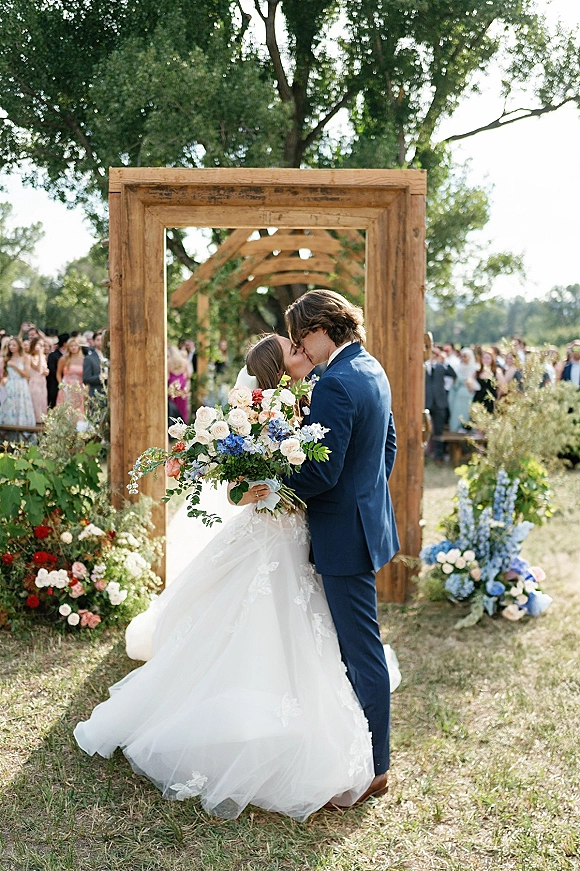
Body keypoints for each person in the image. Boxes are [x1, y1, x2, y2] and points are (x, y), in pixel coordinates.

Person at [74, 332, 398, 821]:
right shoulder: (268, 411)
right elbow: (237, 477)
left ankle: (337, 739)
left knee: (313, 633)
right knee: (262, 629)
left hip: (308, 531)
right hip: (279, 532)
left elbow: (353, 456)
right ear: (278, 367)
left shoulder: (320, 391)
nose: (301, 351)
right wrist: (251, 491)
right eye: (292, 350)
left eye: (300, 344)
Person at [284, 289, 399, 806]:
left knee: (361, 650)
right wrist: (366, 493)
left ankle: (376, 769)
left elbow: (320, 471)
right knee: (354, 646)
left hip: (343, 535)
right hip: (364, 523)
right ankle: (356, 752)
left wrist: (274, 479)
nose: (298, 347)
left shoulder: (333, 383)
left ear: (321, 328)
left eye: (300, 335)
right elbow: (387, 444)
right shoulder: (372, 368)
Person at [425, 345, 456, 465]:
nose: (433, 355)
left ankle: (439, 456)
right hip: (426, 401)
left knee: (439, 431)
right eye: (431, 353)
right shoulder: (423, 365)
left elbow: (453, 374)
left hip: (439, 402)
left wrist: (444, 361)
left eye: (435, 354)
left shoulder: (441, 366)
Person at [0, 336, 36, 438]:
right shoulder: (6, 358)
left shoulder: (26, 358)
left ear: (19, 346)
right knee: (8, 408)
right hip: (9, 386)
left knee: (21, 408)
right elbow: (4, 375)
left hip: (21, 386)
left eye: (14, 345)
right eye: (10, 345)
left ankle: (23, 438)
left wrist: (14, 366)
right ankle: (6, 438)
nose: (11, 347)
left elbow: (27, 375)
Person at [448, 347, 479, 432]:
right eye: (462, 356)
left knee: (467, 412)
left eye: (465, 356)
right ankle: (457, 428)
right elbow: (456, 383)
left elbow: (475, 383)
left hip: (469, 394)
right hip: (459, 393)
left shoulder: (475, 368)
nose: (463, 358)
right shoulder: (458, 367)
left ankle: (467, 428)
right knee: (457, 412)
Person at [56, 337, 86, 412]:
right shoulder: (64, 359)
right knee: (67, 406)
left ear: (78, 347)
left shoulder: (83, 359)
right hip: (66, 385)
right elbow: (58, 373)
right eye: (71, 346)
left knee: (78, 407)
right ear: (68, 347)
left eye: (75, 346)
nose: (73, 348)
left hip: (79, 386)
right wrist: (61, 384)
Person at [472, 348, 505, 415]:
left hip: (491, 400)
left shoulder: (497, 372)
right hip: (478, 399)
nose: (485, 360)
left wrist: (496, 398)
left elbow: (503, 386)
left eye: (488, 358)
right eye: (484, 358)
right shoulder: (477, 372)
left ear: (492, 359)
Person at [167, 345, 192, 423]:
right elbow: (189, 374)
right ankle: (184, 426)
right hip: (182, 386)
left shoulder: (168, 362)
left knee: (172, 409)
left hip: (172, 386)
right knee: (183, 409)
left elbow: (166, 376)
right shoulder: (184, 361)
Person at [28, 336, 49, 422]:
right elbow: (37, 368)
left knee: (42, 401)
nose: (41, 346)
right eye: (39, 344)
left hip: (42, 382)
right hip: (34, 382)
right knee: (35, 402)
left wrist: (46, 371)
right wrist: (40, 354)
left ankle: (42, 420)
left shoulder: (43, 357)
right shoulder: (30, 357)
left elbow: (43, 369)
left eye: (42, 345)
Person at [46, 333, 69, 408]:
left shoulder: (70, 355)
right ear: (65, 343)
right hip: (55, 384)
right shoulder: (53, 355)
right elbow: (52, 370)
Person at [83, 330, 105, 397]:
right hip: (97, 393)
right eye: (98, 340)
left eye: (102, 340)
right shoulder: (89, 358)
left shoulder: (111, 357)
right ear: (94, 342)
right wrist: (100, 377)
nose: (101, 342)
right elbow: (86, 378)